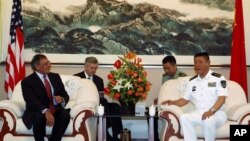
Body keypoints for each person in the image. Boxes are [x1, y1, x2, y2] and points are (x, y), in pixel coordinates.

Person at [161, 52, 228, 141]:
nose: (197, 65)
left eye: (200, 62)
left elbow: (222, 98)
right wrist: (173, 102)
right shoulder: (192, 81)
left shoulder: (218, 78)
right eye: (195, 62)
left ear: (208, 63)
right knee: (184, 118)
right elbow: (185, 99)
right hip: (198, 113)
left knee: (208, 120)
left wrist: (211, 111)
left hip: (216, 113)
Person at [21, 54, 70, 141]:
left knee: (65, 115)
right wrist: (46, 111)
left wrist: (62, 99)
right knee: (39, 117)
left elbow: (65, 94)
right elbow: (31, 100)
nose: (49, 65)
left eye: (48, 63)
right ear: (37, 66)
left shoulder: (55, 77)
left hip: (55, 108)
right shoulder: (27, 81)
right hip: (38, 109)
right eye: (45, 64)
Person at [74, 56, 122, 141]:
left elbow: (101, 96)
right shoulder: (77, 77)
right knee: (104, 101)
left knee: (115, 106)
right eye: (92, 68)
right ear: (85, 66)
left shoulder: (99, 80)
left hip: (98, 105)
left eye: (95, 68)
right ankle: (106, 133)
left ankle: (117, 135)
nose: (94, 70)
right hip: (84, 105)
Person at [153, 55, 187, 141]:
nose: (166, 71)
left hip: (178, 104)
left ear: (175, 66)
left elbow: (185, 95)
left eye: (168, 68)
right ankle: (155, 138)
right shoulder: (164, 76)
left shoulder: (183, 77)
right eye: (164, 69)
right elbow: (164, 91)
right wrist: (158, 98)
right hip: (166, 104)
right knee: (151, 115)